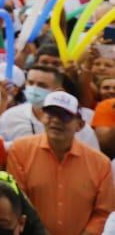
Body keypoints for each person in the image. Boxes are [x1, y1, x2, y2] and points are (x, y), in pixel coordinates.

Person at [7, 91, 115, 235]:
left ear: (80, 125)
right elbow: (18, 200)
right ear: (42, 117)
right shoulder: (20, 151)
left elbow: (103, 211)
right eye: (51, 114)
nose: (56, 121)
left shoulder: (101, 163)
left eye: (64, 116)